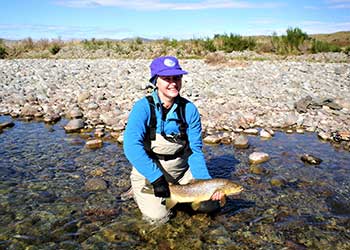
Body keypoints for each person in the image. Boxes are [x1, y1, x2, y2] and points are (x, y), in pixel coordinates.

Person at [123, 56, 223, 224]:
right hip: (151, 172)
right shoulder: (142, 108)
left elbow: (195, 151)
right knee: (158, 219)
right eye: (166, 78)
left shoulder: (189, 110)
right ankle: (138, 189)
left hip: (181, 170)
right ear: (155, 81)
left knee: (211, 205)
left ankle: (177, 195)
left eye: (176, 78)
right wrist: (156, 178)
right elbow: (131, 147)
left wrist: (207, 184)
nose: (173, 83)